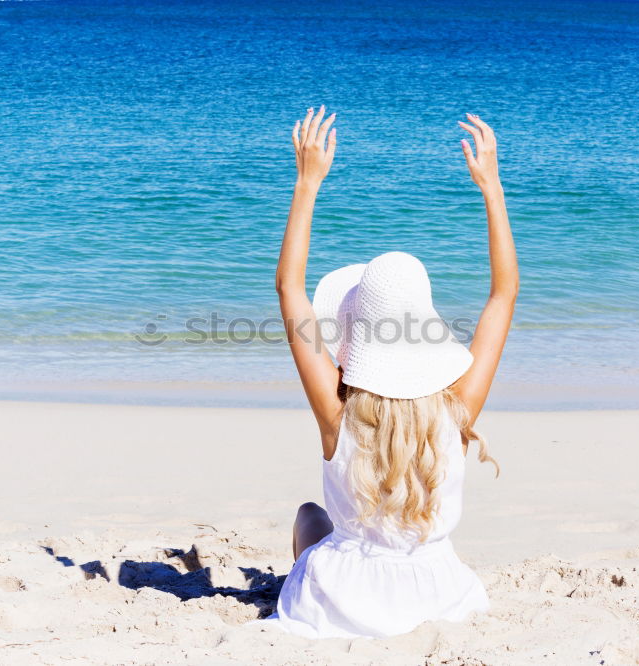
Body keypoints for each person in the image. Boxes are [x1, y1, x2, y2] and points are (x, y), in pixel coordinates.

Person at [257, 105, 518, 639]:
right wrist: (491, 187)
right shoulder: (457, 408)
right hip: (437, 596)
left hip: (341, 603)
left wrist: (307, 182)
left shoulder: (338, 413)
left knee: (311, 514)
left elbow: (289, 289)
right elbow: (503, 295)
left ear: (353, 334)